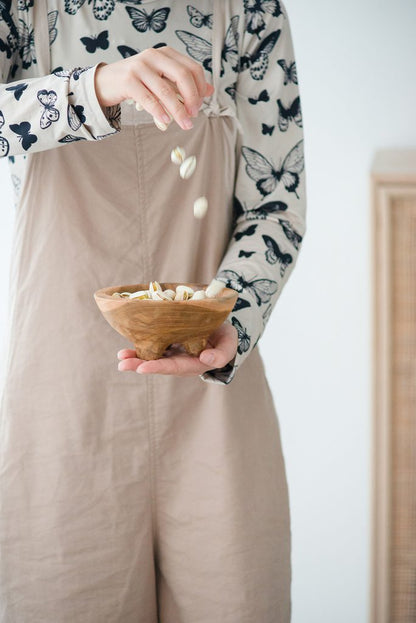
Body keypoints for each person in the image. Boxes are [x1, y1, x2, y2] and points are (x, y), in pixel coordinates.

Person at [0, 1, 306, 621]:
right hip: (64, 404)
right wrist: (94, 87)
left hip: (215, 389)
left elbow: (277, 196)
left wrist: (233, 317)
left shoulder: (247, 9)